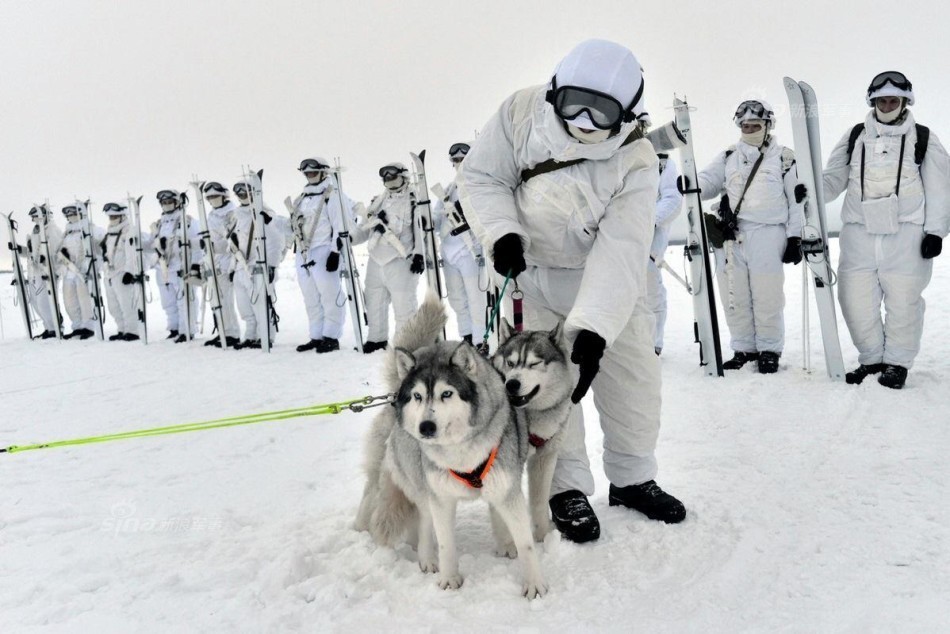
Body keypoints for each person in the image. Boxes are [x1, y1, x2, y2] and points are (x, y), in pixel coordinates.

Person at [459, 38, 685, 543]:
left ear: (626, 113)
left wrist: (592, 330)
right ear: (555, 91)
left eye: (602, 111)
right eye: (574, 103)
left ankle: (633, 478)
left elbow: (623, 247)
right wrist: (501, 233)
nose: (584, 120)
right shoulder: (519, 113)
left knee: (633, 384)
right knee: (545, 392)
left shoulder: (637, 160)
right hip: (529, 278)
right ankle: (565, 488)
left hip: (607, 281)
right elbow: (481, 176)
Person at [821, 71, 950, 389]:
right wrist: (808, 188)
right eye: (882, 100)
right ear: (872, 101)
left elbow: (940, 187)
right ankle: (871, 359)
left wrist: (935, 231)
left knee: (903, 301)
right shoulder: (855, 136)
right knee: (854, 299)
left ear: (906, 101)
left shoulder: (923, 137)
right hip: (859, 233)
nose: (887, 104)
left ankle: (897, 364)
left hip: (906, 235)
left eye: (894, 99)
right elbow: (833, 179)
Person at [690, 99, 803, 374]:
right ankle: (743, 348)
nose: (749, 129)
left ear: (768, 125)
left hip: (768, 232)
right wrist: (690, 183)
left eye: (755, 124)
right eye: (745, 125)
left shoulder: (785, 158)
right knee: (734, 293)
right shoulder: (729, 156)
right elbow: (707, 182)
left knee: (767, 295)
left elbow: (796, 200)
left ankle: (768, 350)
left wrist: (795, 237)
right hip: (732, 235)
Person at [351, 162, 424, 353]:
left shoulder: (414, 200)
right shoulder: (378, 201)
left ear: (403, 175)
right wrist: (349, 238)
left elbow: (422, 230)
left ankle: (404, 345)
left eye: (393, 175)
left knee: (404, 306)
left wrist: (419, 254)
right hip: (376, 260)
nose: (389, 179)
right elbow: (365, 228)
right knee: (374, 301)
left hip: (401, 261)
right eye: (385, 177)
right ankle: (376, 339)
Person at [288, 157, 356, 353]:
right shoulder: (301, 198)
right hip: (304, 252)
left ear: (323, 172)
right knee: (310, 297)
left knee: (329, 294)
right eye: (306, 172)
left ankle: (331, 336)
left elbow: (340, 226)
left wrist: (335, 252)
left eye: (313, 171)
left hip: (325, 250)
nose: (309, 174)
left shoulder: (333, 195)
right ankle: (316, 335)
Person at [432, 142, 489, 344]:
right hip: (449, 252)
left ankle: (480, 338)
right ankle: (466, 334)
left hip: (471, 252)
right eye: (455, 160)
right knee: (456, 298)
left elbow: (488, 215)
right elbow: (436, 220)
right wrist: (425, 221)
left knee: (476, 298)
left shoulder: (480, 185)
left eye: (462, 159)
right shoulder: (449, 189)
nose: (459, 163)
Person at [230, 180, 286, 349]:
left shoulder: (265, 213)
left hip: (258, 265)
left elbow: (277, 241)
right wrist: (232, 268)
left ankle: (265, 337)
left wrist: (272, 265)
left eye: (245, 191)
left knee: (261, 304)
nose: (241, 194)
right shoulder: (237, 215)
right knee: (244, 306)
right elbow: (235, 244)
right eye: (238, 192)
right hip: (241, 267)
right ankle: (250, 336)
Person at [151, 189, 202, 342]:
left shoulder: (187, 221)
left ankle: (187, 330)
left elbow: (197, 245)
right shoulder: (158, 224)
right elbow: (152, 244)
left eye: (169, 202)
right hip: (164, 268)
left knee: (185, 301)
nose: (166, 205)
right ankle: (174, 328)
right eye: (164, 203)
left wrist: (195, 265)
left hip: (181, 267)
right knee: (168, 302)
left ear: (178, 202)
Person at [647, 152, 683, 355]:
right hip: (617, 231)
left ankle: (653, 343)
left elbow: (672, 199)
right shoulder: (610, 153)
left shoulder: (662, 163)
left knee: (649, 284)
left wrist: (649, 221)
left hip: (651, 233)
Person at [8, 205, 62, 338]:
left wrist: (47, 259)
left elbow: (55, 251)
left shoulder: (52, 230)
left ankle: (55, 327)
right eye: (33, 218)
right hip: (34, 272)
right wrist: (19, 250)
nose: (34, 220)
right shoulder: (36, 232)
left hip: (47, 272)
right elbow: (32, 252)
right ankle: (48, 327)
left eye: (36, 217)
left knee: (45, 302)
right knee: (35, 302)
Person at [200, 182, 241, 348]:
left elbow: (234, 241)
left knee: (226, 299)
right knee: (215, 300)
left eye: (215, 196)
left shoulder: (232, 213)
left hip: (227, 260)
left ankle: (232, 333)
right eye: (209, 197)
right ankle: (222, 331)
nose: (212, 199)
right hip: (213, 261)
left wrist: (215, 247)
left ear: (224, 196)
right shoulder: (211, 215)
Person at [100, 202, 143, 341]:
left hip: (122, 273)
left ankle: (132, 330)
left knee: (127, 304)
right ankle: (122, 329)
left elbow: (131, 253)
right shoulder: (110, 232)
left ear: (123, 215)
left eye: (115, 216)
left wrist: (130, 271)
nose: (112, 219)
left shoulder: (129, 230)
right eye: (110, 216)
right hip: (110, 273)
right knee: (113, 305)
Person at [57, 203, 102, 339]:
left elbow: (101, 248)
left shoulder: (90, 229)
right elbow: (59, 251)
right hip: (69, 271)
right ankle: (77, 326)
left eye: (73, 213)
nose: (70, 216)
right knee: (69, 301)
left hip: (84, 271)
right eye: (68, 214)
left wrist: (94, 266)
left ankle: (88, 327)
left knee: (85, 300)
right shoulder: (67, 233)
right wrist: (62, 255)